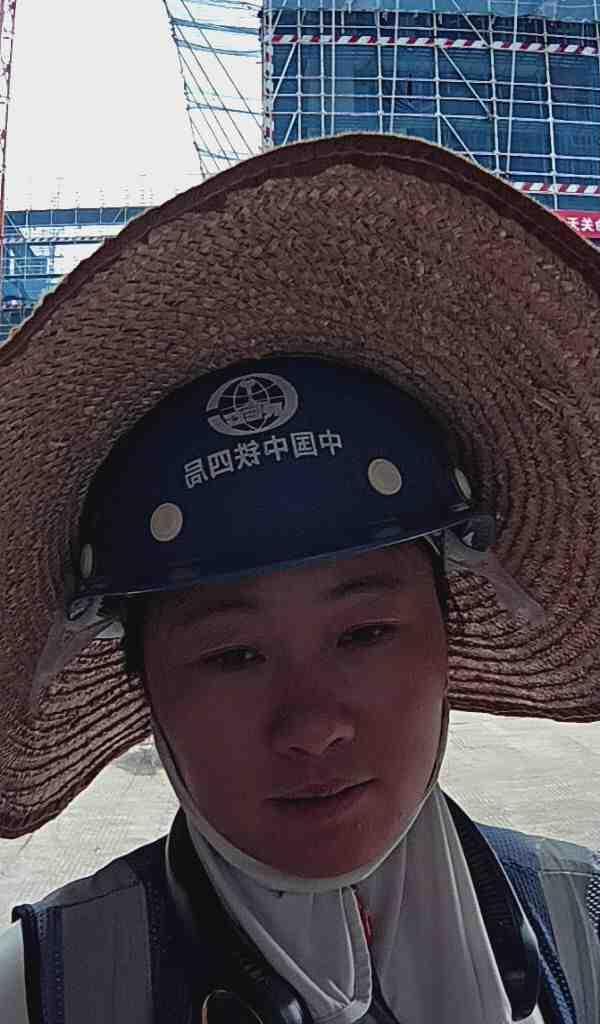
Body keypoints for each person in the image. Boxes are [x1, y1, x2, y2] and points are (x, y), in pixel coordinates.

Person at [0, 133, 599, 1024]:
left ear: (450, 633)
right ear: (142, 682)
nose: (313, 726)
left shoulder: (584, 926)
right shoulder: (40, 990)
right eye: (233, 654)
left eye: (364, 633)